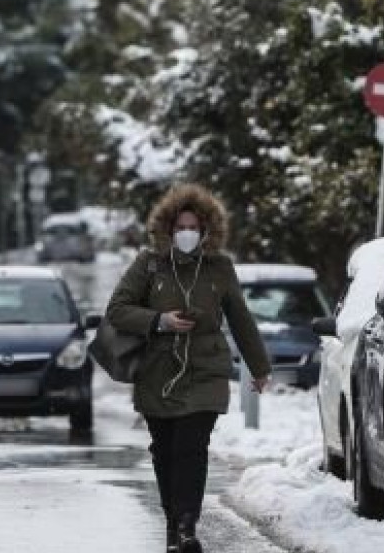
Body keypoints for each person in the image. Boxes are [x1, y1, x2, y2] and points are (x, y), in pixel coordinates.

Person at [106, 183, 271, 553]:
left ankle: (187, 525)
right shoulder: (148, 264)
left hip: (205, 372)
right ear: (167, 228)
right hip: (158, 374)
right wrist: (159, 320)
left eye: (193, 227)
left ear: (207, 230)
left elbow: (240, 318)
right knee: (164, 452)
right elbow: (117, 309)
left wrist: (258, 367)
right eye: (180, 227)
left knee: (191, 447)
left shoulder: (219, 267)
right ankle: (173, 525)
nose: (186, 234)